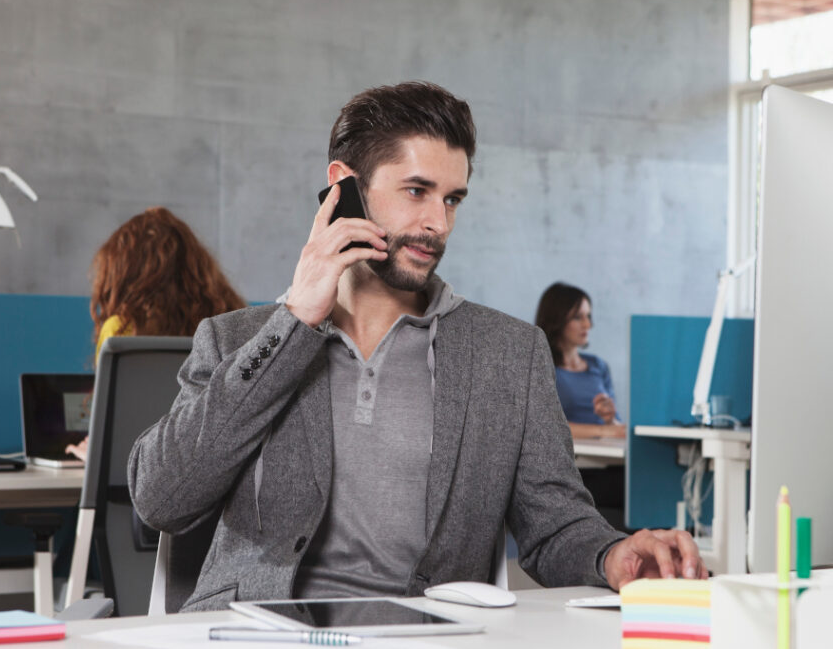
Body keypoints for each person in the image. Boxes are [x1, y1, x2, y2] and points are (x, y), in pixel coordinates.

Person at [128, 81, 706, 611]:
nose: (438, 223)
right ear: (343, 187)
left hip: (427, 633)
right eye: (416, 191)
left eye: (452, 199)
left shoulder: (507, 353)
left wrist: (612, 555)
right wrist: (296, 321)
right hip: (255, 633)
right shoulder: (237, 340)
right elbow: (162, 499)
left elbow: (555, 524)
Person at [64, 206, 246, 461]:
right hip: (219, 479)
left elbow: (116, 434)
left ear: (122, 275)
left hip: (139, 478)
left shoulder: (120, 331)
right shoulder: (231, 325)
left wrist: (94, 454)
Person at [535, 283, 625, 440]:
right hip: (572, 458)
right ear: (557, 319)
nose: (587, 325)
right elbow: (545, 426)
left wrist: (609, 420)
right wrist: (603, 431)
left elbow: (616, 428)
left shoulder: (599, 365)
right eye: (578, 317)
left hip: (609, 455)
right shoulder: (540, 367)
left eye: (588, 316)